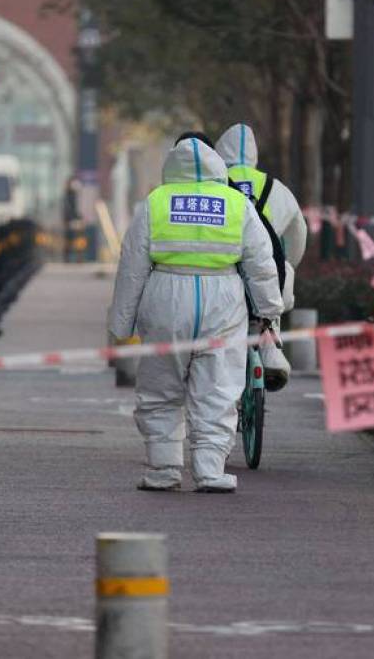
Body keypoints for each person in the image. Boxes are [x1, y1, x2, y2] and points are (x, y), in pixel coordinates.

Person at [108, 136, 283, 493]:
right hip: (223, 301)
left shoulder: (155, 203)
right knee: (218, 388)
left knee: (160, 386)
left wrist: (120, 323)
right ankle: (210, 470)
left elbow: (132, 267)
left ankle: (163, 468)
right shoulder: (237, 204)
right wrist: (269, 311)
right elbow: (261, 264)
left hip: (166, 297)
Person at [215, 123, 307, 391]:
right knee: (275, 279)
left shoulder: (213, 185)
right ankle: (271, 351)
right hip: (269, 276)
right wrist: (289, 262)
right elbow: (297, 234)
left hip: (225, 275)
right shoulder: (276, 188)